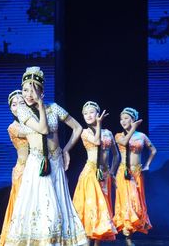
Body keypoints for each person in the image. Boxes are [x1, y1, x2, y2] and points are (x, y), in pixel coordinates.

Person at [10, 66, 87, 246]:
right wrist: (40, 107)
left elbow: (78, 128)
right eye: (25, 89)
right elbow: (43, 129)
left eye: (33, 89)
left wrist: (66, 149)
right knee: (44, 207)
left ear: (41, 90)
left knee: (59, 205)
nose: (29, 94)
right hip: (37, 164)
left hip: (55, 162)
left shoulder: (54, 108)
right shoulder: (23, 111)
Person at [73, 101, 118, 245]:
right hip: (90, 174)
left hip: (104, 176)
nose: (88, 115)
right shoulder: (85, 132)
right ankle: (85, 241)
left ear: (98, 114)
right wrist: (98, 124)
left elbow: (116, 155)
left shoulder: (108, 133)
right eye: (85, 113)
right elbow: (97, 141)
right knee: (91, 207)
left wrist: (111, 172)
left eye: (91, 112)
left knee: (101, 210)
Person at [113, 107, 157, 246]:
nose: (123, 121)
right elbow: (125, 142)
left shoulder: (141, 136)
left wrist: (148, 165)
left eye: (126, 118)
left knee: (136, 204)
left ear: (133, 119)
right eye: (121, 118)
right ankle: (128, 239)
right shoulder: (118, 135)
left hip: (137, 173)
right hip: (124, 174)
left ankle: (130, 234)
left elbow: (153, 150)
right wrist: (133, 128)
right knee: (127, 203)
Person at [0, 90, 30, 246]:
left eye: (22, 103)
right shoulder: (13, 127)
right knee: (21, 209)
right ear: (11, 109)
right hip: (23, 171)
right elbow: (33, 132)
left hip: (37, 170)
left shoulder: (32, 121)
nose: (18, 107)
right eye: (14, 104)